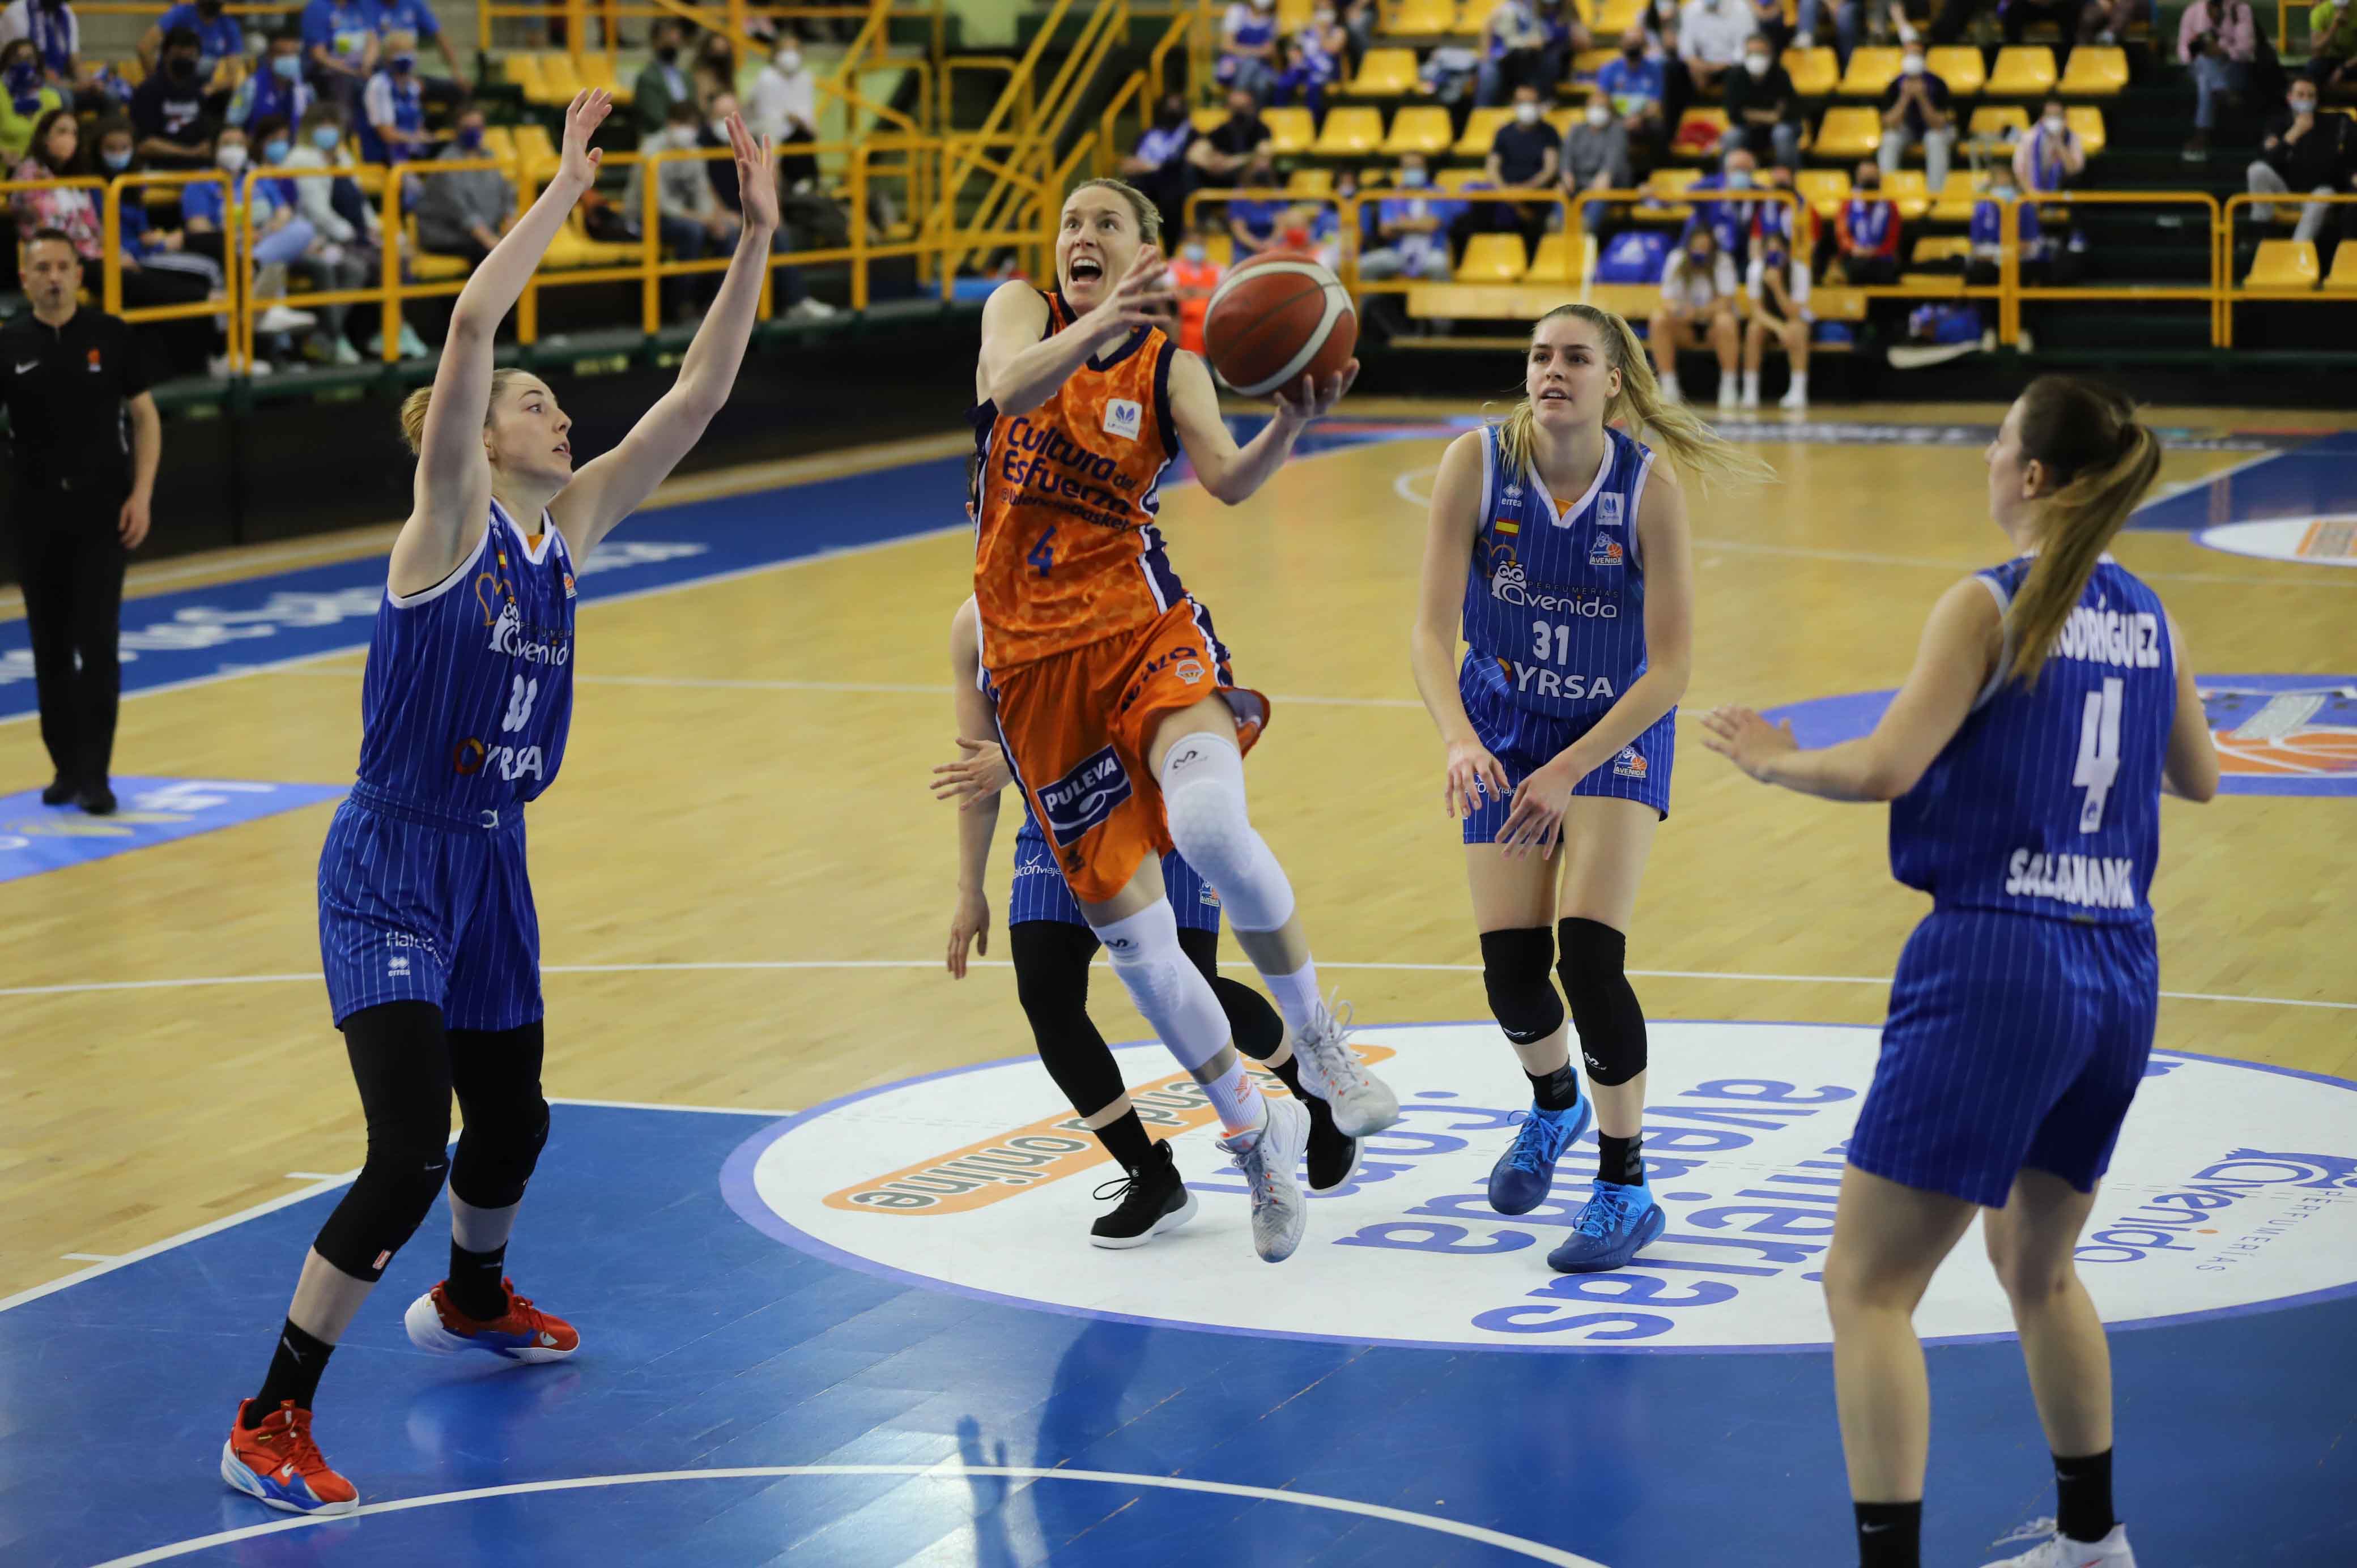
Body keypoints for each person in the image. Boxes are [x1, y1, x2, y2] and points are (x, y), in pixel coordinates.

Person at [219, 90, 785, 1519]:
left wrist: (756, 239)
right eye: (538, 403)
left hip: (495, 860)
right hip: (392, 862)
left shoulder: (568, 527)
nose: (557, 410)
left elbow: (699, 398)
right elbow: (470, 333)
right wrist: (561, 192)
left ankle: (472, 1299)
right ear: (477, 439)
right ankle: (270, 1411)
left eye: (550, 403)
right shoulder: (448, 524)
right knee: (409, 1147)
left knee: (514, 1125)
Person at [1699, 376, 2219, 1568]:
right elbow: (2199, 776)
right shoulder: (2150, 618)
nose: (1987, 460)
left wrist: (1778, 762)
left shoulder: (1987, 604)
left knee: (1866, 1288)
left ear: (2032, 478)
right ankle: (2094, 1545)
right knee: (2037, 1266)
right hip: (2117, 966)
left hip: (1997, 954)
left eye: (1996, 445)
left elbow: (1886, 765)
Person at [969, 177, 1396, 1265]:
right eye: (1071, 220)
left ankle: (1319, 1043)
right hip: (1032, 675)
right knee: (1145, 956)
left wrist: (1291, 425)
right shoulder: (1020, 311)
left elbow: (1227, 479)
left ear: (1152, 251)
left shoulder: (1174, 366)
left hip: (1142, 633)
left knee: (1207, 828)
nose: (1081, 235)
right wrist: (1101, 323)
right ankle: (1257, 1138)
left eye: (1107, 222)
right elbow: (1007, 390)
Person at [1408, 304, 1766, 1276]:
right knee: (1512, 977)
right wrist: (1456, 739)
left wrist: (1571, 767)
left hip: (1614, 729)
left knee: (1589, 957)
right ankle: (1556, 1101)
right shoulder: (1475, 466)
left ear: (1615, 381)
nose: (1551, 370)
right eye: (1538, 355)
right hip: (1505, 725)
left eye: (1575, 357)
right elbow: (1431, 637)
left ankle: (1626, 1184)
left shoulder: (1647, 489)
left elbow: (1672, 670)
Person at [934, 597, 1358, 1246]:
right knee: (1045, 990)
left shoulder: (1119, 581)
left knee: (1192, 981)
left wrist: (1014, 763)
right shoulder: (974, 625)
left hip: (1150, 806)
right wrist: (969, 888)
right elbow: (978, 769)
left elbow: (1154, 718)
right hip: (1061, 822)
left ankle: (1314, 1097)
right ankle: (1150, 1174)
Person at [0, 227, 161, 816]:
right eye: (40, 267)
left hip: (101, 511)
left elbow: (144, 417)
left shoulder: (110, 335)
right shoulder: (9, 342)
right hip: (34, 512)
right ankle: (64, 765)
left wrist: (141, 494)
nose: (52, 276)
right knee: (48, 644)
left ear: (77, 273)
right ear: (24, 277)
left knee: (97, 641)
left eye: (62, 266)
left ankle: (96, 772)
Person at [2248, 78, 2356, 244]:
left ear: (2317, 100)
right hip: (2285, 193)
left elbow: (2338, 163)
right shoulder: (2278, 123)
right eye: (2300, 95)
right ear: (2290, 98)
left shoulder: (2333, 124)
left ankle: (2297, 250)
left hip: (2317, 194)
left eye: (2310, 96)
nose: (2306, 100)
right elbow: (2269, 160)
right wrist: (2294, 133)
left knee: (2324, 195)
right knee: (2256, 170)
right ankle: (2264, 230)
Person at [1650, 221, 1741, 406]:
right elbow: (1668, 301)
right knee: (1658, 319)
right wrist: (1682, 311)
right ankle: (1668, 386)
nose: (1701, 252)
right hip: (1686, 327)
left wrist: (1700, 312)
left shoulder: (1722, 261)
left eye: (1705, 248)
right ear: (1689, 247)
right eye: (1697, 247)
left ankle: (1729, 386)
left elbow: (1726, 302)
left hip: (1713, 328)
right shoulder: (1677, 259)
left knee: (1726, 321)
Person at [414, 101, 513, 267]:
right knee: (488, 256)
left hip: (479, 234)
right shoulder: (447, 162)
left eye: (478, 127)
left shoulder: (488, 156)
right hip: (445, 235)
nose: (474, 132)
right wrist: (494, 244)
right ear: (457, 129)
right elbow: (462, 212)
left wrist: (512, 229)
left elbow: (506, 194)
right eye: (468, 127)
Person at [1743, 195, 1810, 410]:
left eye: (1778, 249)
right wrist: (1778, 327)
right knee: (1754, 329)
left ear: (1787, 252)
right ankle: (1750, 391)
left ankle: (1798, 391)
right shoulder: (1755, 269)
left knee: (1797, 328)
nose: (1773, 254)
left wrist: (1778, 287)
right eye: (1769, 249)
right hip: (1770, 322)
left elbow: (1794, 313)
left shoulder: (1800, 270)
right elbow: (1756, 311)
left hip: (1792, 320)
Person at [2179, 0, 2258, 160]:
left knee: (2205, 79)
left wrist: (2222, 50)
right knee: (2204, 62)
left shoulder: (2241, 9)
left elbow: (2246, 50)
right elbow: (2183, 53)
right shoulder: (2192, 12)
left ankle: (2201, 133)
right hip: (2200, 68)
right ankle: (2221, 88)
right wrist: (2200, 50)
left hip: (2233, 69)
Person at [1363, 151, 1461, 280]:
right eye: (1408, 167)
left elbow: (1431, 226)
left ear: (1425, 169)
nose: (1412, 171)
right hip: (1399, 253)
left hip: (1430, 252)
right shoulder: (1393, 196)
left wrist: (1400, 224)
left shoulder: (1438, 193)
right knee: (1364, 266)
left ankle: (1441, 301)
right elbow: (1385, 230)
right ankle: (1370, 301)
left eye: (1416, 167)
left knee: (1439, 264)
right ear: (1402, 170)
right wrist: (1419, 223)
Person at [130, 24, 213, 171]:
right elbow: (144, 145)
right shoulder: (148, 92)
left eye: (191, 57)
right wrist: (189, 153)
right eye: (179, 55)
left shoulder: (199, 91)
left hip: (198, 169)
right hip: (158, 168)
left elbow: (206, 140)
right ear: (165, 55)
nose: (185, 60)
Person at [1486, 83, 1560, 244]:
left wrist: (1525, 190)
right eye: (1522, 102)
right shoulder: (1504, 132)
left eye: (1532, 103)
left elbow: (1550, 170)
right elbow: (1492, 168)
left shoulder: (1549, 132)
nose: (1527, 107)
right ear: (1514, 105)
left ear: (1539, 105)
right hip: (1506, 194)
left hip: (1537, 195)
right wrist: (1506, 192)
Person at [138, 0, 240, 111]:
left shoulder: (228, 25)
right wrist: (157, 82)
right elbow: (144, 47)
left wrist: (209, 89)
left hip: (200, 95)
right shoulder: (181, 13)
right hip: (168, 91)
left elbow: (232, 75)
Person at [1879, 41, 1955, 191]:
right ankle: (1888, 193)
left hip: (1937, 130)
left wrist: (1922, 98)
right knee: (1890, 139)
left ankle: (1935, 194)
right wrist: (1904, 98)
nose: (1913, 58)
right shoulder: (1895, 85)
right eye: (1909, 54)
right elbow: (1889, 124)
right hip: (1908, 129)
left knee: (1934, 139)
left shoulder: (1938, 84)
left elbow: (1939, 124)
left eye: (1917, 54)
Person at [1120, 92, 1195, 241]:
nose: (1172, 111)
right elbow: (1130, 163)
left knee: (1172, 196)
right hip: (1145, 184)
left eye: (1177, 107)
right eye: (1169, 107)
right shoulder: (1148, 134)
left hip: (1175, 185)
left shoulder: (1190, 134)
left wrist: (1154, 167)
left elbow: (1187, 161)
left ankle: (1171, 246)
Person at [748, 35, 818, 189]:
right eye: (785, 50)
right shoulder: (766, 78)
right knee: (770, 136)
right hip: (768, 132)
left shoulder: (805, 77)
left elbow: (808, 113)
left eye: (794, 49)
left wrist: (803, 123)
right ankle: (774, 192)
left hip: (796, 133)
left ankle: (805, 188)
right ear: (775, 54)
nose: (790, 54)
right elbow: (766, 115)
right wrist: (790, 118)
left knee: (806, 138)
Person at [1723, 32, 1799, 169]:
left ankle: (1787, 179)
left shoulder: (1781, 74)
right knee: (1731, 136)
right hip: (1748, 130)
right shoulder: (1736, 76)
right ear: (1745, 55)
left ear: (1770, 54)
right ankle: (1727, 182)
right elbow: (1734, 114)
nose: (1756, 58)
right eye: (1751, 53)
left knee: (1782, 134)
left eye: (1760, 53)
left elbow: (1791, 112)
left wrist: (1750, 114)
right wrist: (1769, 116)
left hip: (1777, 130)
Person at [1562, 94, 1632, 236]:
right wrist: (1566, 174)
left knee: (1599, 193)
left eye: (1601, 107)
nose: (1596, 110)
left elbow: (1612, 161)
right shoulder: (1577, 130)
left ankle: (1586, 230)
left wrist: (1606, 175)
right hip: (1578, 183)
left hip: (1606, 185)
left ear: (1610, 111)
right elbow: (1566, 156)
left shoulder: (1617, 130)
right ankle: (1558, 227)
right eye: (1593, 106)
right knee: (1560, 192)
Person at [1597, 26, 1669, 161]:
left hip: (1642, 121)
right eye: (1629, 42)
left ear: (1644, 45)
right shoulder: (1609, 69)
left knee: (1658, 127)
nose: (1633, 46)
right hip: (1616, 119)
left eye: (1637, 42)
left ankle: (1654, 171)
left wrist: (1639, 118)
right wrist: (1620, 121)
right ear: (1622, 44)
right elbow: (1602, 99)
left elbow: (1655, 105)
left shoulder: (1655, 71)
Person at [359, 29, 428, 166]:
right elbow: (387, 135)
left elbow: (418, 125)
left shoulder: (413, 87)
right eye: (399, 51)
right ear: (387, 57)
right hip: (384, 155)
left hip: (412, 152)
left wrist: (425, 138)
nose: (405, 56)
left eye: (409, 51)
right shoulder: (379, 85)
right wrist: (417, 138)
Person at [1825, 159, 1901, 283]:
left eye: (1872, 176)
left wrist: (1876, 252)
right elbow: (1842, 232)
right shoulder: (1848, 203)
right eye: (1865, 176)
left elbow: (1893, 236)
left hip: (1881, 257)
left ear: (1879, 178)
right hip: (1855, 256)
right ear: (1858, 178)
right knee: (1856, 269)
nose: (1869, 180)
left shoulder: (1890, 205)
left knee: (1886, 272)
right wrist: (1854, 248)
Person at [228, 23, 313, 133]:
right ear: (269, 57)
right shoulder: (251, 86)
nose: (289, 59)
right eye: (282, 54)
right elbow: (232, 124)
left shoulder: (305, 88)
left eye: (293, 53)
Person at [299, 0, 376, 120]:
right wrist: (352, 72)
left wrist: (367, 65)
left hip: (360, 69)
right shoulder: (318, 8)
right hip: (330, 72)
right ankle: (345, 130)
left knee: (380, 79)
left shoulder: (361, 5)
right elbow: (319, 55)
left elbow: (373, 41)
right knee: (347, 83)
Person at [1186, 85, 1269, 189]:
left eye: (1243, 107)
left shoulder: (1261, 129)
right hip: (1221, 176)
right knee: (1189, 170)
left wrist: (1231, 162)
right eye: (1235, 108)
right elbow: (1194, 155)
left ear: (1252, 107)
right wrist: (1210, 164)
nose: (1239, 113)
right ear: (1228, 108)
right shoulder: (1222, 130)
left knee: (1261, 166)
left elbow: (1263, 154)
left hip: (1246, 179)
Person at [1166, 216, 1226, 353]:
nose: (1197, 247)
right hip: (1183, 332)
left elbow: (1223, 294)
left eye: (1200, 244)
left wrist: (1191, 292)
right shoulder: (1171, 267)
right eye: (1193, 243)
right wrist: (1208, 292)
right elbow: (1174, 294)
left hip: (1213, 332)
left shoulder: (1218, 269)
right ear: (1184, 245)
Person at [1678, 0, 1755, 104]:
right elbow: (1686, 50)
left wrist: (1718, 67)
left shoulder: (1742, 9)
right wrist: (1699, 66)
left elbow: (1745, 48)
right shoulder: (1691, 9)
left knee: (1739, 72)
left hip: (1730, 66)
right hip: (1701, 66)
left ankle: (1735, 114)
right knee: (1675, 69)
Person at [0, 0, 82, 96]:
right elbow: (22, 62)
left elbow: (75, 61)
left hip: (58, 80)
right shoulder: (17, 11)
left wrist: (86, 82)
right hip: (22, 80)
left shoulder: (65, 11)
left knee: (98, 93)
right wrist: (66, 85)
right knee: (63, 97)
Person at [1477, 0, 1550, 107]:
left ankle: (1538, 103)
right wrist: (1485, 54)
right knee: (1488, 74)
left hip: (1526, 59)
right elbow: (1501, 38)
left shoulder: (1535, 9)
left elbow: (1542, 38)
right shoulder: (1504, 9)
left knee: (1546, 63)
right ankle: (1482, 112)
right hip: (1503, 59)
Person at [0, 37, 62, 161]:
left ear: (38, 63)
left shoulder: (52, 98)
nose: (23, 64)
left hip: (41, 174)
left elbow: (56, 139)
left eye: (29, 59)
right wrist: (3, 153)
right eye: (17, 59)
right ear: (6, 62)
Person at [2013, 96, 2085, 195]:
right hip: (2031, 194)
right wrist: (2033, 195)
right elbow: (2019, 171)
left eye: (2057, 115)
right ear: (2042, 118)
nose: (2054, 119)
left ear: (2065, 118)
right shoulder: (2029, 138)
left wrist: (2060, 143)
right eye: (2050, 115)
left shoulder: (2072, 138)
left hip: (2061, 195)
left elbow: (2073, 171)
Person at [632, 16, 690, 135]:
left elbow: (694, 107)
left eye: (676, 41)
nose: (673, 45)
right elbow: (655, 117)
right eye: (668, 40)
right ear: (655, 42)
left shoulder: (687, 77)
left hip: (689, 132)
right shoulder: (647, 78)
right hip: (658, 135)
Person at [1224, 148, 1284, 255]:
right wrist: (1257, 245)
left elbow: (1281, 225)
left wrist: (1270, 243)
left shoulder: (1276, 193)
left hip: (1272, 247)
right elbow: (1239, 229)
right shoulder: (1239, 195)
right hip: (1245, 249)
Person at [1218, 0, 1281, 101]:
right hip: (1236, 65)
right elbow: (1226, 46)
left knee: (1262, 84)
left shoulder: (1273, 18)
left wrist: (1244, 50)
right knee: (1252, 64)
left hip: (1261, 68)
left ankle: (1241, 105)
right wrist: (1257, 52)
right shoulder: (1237, 12)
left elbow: (1270, 51)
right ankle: (1239, 100)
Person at [2313, 0, 2356, 96]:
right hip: (2328, 60)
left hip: (2353, 61)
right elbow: (2317, 51)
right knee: (2314, 68)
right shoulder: (2320, 12)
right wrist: (2335, 25)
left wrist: (2344, 68)